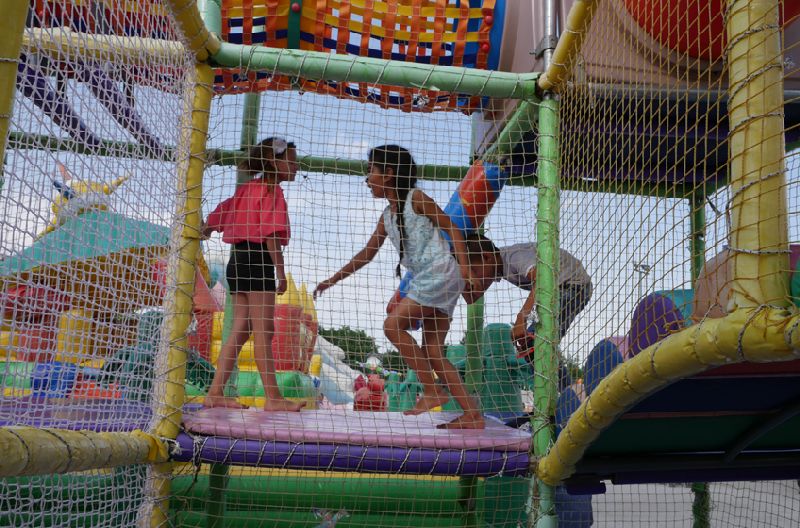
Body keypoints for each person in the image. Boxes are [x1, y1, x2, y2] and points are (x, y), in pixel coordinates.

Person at [314, 145, 484, 429]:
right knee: (434, 352)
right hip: (436, 278)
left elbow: (452, 228)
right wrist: (333, 279)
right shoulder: (387, 217)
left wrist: (465, 267)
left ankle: (432, 390)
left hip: (439, 273)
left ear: (389, 174)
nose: (367, 179)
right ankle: (472, 415)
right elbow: (366, 254)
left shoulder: (416, 198)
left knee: (392, 326)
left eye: (371, 171)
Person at [200, 137, 305, 412]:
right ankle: (274, 398)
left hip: (236, 262)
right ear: (273, 162)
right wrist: (280, 272)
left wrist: (206, 229)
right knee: (264, 331)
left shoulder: (247, 189)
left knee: (241, 329)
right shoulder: (272, 191)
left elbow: (221, 213)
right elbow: (271, 235)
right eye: (291, 162)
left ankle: (215, 393)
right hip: (258, 261)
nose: (296, 167)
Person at [464, 234, 592, 367]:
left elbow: (542, 279)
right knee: (531, 348)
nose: (472, 278)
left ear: (487, 257)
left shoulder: (514, 257)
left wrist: (521, 318)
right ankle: (559, 380)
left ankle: (561, 380)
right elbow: (473, 297)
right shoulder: (499, 265)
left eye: (474, 271)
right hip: (559, 289)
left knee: (537, 344)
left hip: (573, 285)